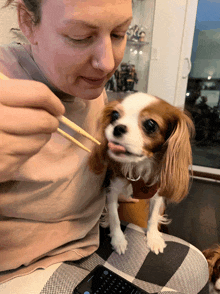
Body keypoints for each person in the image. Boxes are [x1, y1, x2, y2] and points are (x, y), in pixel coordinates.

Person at [0, 0, 209, 293]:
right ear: (26, 20)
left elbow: (121, 189)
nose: (108, 63)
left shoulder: (92, 90)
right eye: (80, 36)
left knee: (194, 267)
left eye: (119, 33)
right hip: (18, 267)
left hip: (90, 239)